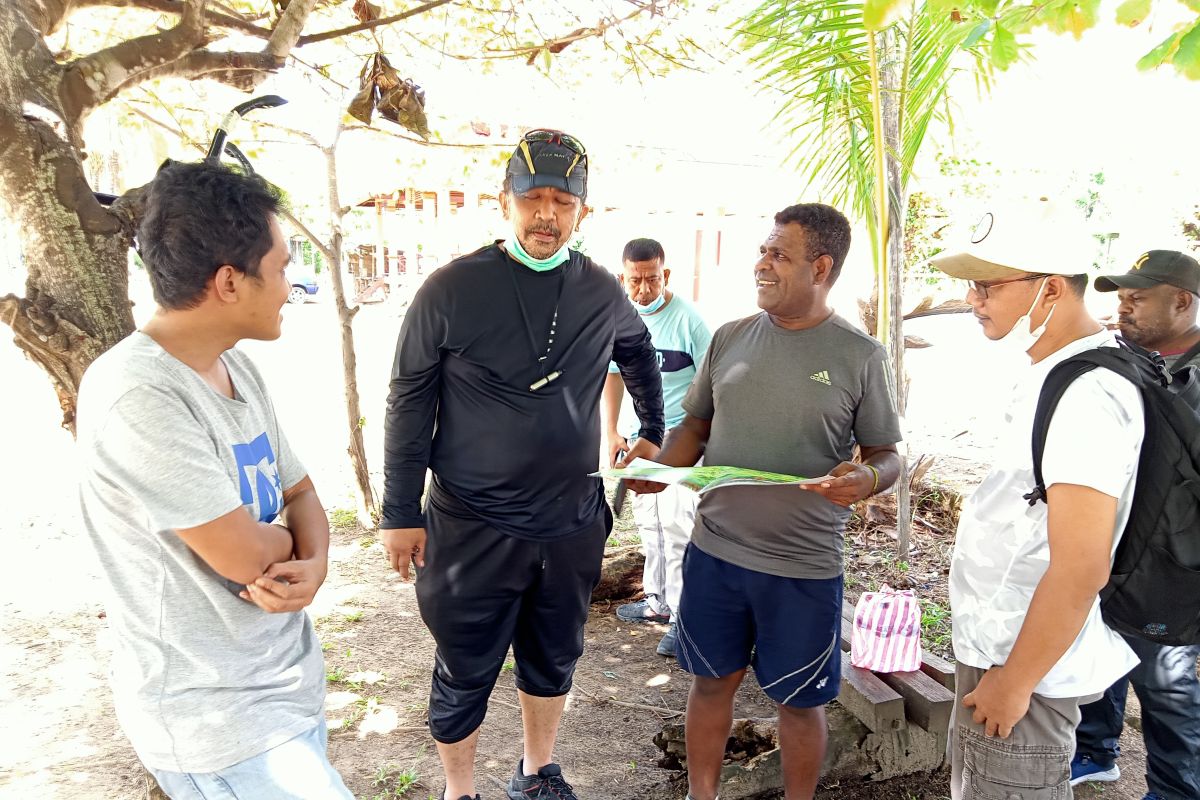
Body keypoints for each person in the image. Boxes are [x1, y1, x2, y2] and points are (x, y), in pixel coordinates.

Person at [380, 129, 665, 800]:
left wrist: (652, 428)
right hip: (471, 524)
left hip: (569, 521)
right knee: (465, 663)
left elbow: (639, 352)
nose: (547, 214)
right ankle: (460, 790)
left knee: (554, 656)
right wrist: (398, 513)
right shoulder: (451, 288)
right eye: (532, 198)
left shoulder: (599, 288)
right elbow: (408, 401)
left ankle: (538, 772)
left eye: (562, 201)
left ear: (582, 212)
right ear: (503, 201)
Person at [76, 161, 350, 798]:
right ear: (230, 281)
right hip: (216, 718)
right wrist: (291, 544)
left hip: (282, 688)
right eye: (282, 267)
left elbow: (301, 491)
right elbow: (242, 554)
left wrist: (318, 561)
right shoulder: (138, 393)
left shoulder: (236, 368)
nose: (290, 284)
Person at [628, 203, 902, 800]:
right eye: (763, 250)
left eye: (779, 254)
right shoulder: (729, 338)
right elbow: (695, 428)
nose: (761, 264)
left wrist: (866, 479)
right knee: (708, 686)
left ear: (821, 267)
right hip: (715, 556)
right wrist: (660, 470)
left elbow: (888, 454)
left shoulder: (859, 356)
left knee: (800, 705)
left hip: (803, 569)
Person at [930, 205, 1145, 800]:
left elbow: (1081, 564)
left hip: (1023, 662)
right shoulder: (1055, 371)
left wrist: (1015, 681)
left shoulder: (1087, 393)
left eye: (988, 285)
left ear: (1049, 287)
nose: (973, 299)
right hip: (1001, 645)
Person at [1068, 250, 1200, 799]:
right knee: (1098, 658)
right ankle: (1096, 753)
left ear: (1183, 302)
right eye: (1121, 298)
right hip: (1111, 548)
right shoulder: (1120, 361)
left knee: (1165, 685)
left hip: (1174, 566)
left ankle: (1174, 791)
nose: (1123, 308)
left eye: (1137, 299)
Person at [604, 237, 712, 657]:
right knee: (650, 524)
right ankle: (658, 602)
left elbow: (712, 385)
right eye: (635, 281)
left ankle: (686, 621)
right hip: (637, 441)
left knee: (679, 526)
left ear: (665, 275)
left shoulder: (690, 322)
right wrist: (611, 431)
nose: (644, 289)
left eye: (652, 279)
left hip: (677, 442)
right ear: (622, 278)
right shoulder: (621, 317)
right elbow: (613, 375)